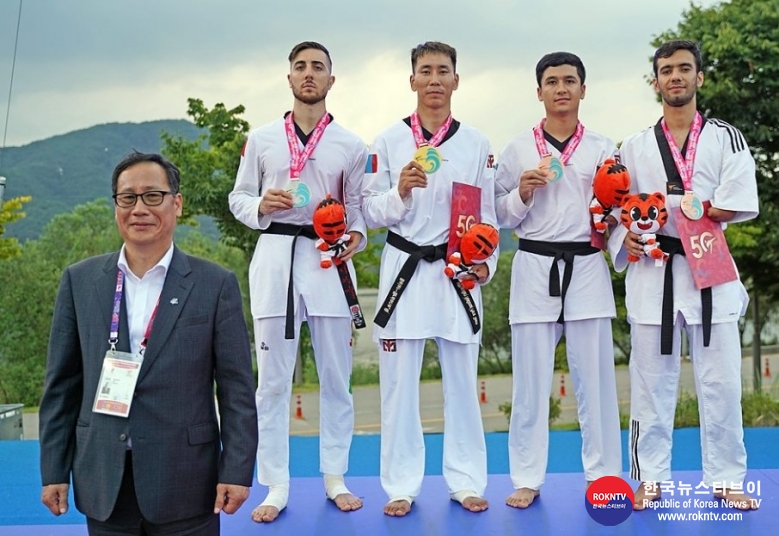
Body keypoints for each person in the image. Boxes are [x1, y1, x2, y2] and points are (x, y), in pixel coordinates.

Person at [39, 152, 258, 535]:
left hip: (188, 483)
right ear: (116, 206)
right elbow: (61, 386)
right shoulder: (80, 281)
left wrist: (237, 471)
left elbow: (237, 388)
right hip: (105, 479)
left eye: (152, 196)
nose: (139, 208)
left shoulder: (215, 284)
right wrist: (53, 470)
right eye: (128, 197)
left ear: (177, 203)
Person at [609, 39, 760, 511]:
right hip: (654, 270)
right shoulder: (632, 146)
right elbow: (613, 210)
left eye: (684, 69)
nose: (675, 77)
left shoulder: (724, 136)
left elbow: (739, 200)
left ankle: (727, 477)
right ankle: (649, 477)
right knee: (650, 382)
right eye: (666, 70)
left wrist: (695, 208)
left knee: (721, 381)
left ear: (699, 77)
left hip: (710, 264)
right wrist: (624, 240)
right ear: (655, 82)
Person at [229, 41, 367, 523]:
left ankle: (335, 476)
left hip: (327, 261)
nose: (309, 74)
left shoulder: (351, 144)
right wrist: (260, 206)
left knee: (336, 378)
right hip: (275, 259)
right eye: (300, 67)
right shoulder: (263, 138)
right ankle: (276, 483)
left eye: (318, 68)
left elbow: (358, 210)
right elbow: (238, 198)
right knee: (272, 383)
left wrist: (354, 237)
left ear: (332, 80)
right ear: (289, 78)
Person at [363, 41, 497, 517]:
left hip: (457, 271)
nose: (435, 79)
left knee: (463, 379)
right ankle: (401, 484)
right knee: (399, 386)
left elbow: (489, 215)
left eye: (444, 71)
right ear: (412, 80)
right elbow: (370, 210)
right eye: (426, 71)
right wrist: (398, 191)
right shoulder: (385, 142)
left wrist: (486, 264)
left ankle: (465, 481)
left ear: (456, 80)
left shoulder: (477, 142)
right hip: (405, 269)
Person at [494, 52, 622, 509]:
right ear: (539, 91)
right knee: (530, 382)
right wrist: (522, 192)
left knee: (596, 380)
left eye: (570, 80)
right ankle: (527, 477)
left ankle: (604, 475)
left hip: (586, 264)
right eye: (552, 81)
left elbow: (619, 210)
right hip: (533, 266)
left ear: (584, 89)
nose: (562, 88)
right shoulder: (516, 150)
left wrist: (621, 235)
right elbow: (498, 213)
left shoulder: (606, 149)